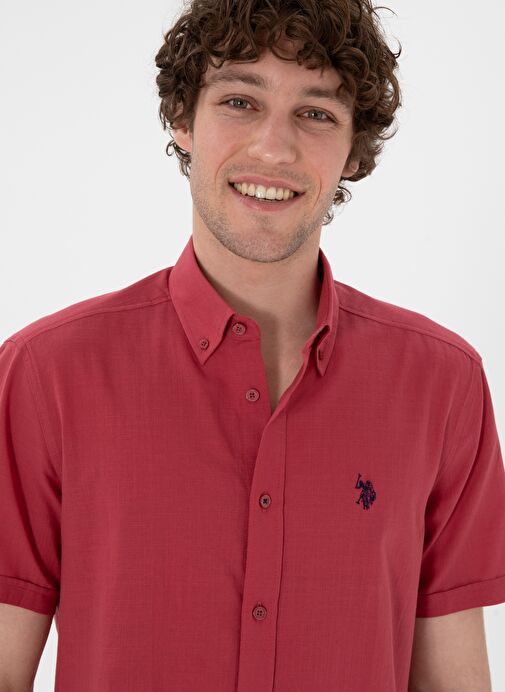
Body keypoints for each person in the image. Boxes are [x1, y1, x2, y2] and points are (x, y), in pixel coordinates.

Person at [1, 0, 504, 690]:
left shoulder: (442, 384)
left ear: (354, 151)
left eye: (315, 113)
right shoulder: (44, 376)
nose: (274, 148)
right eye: (240, 101)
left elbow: (453, 679)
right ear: (182, 120)